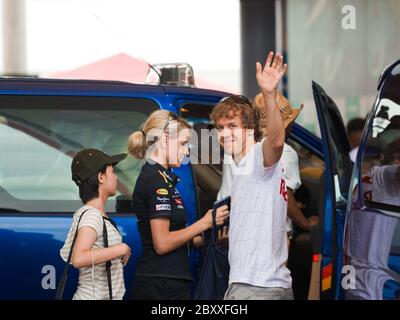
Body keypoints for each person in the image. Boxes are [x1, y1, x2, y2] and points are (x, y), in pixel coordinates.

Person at [211, 51, 292, 300]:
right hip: (253, 283)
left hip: (258, 288)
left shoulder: (258, 156)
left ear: (250, 129)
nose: (225, 134)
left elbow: (276, 141)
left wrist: (269, 93)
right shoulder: (242, 166)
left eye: (233, 126)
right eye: (220, 128)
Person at [128, 110, 229, 300]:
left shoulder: (163, 179)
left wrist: (210, 236)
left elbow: (177, 237)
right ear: (165, 140)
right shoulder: (155, 181)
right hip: (160, 285)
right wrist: (204, 223)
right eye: (183, 143)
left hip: (170, 280)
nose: (187, 151)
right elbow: (162, 243)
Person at [60, 149, 131, 300]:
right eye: (112, 172)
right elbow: (79, 258)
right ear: (101, 177)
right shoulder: (92, 216)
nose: (116, 177)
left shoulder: (95, 215)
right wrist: (121, 249)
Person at [253, 91, 318, 238]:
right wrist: (305, 223)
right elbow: (285, 195)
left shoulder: (244, 149)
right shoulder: (287, 153)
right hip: (274, 234)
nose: (292, 127)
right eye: (291, 123)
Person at [344, 138, 400, 300]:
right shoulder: (385, 177)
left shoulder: (365, 180)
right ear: (396, 161)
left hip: (356, 277)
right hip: (371, 283)